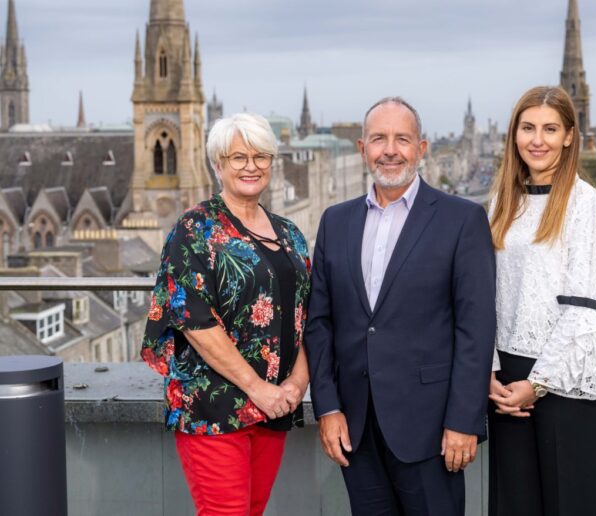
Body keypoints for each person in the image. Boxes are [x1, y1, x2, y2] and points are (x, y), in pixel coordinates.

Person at [305, 97, 496, 515]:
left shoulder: (461, 220)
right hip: (355, 430)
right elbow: (319, 323)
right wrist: (329, 407)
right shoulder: (335, 222)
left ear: (421, 149)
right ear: (362, 149)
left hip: (430, 430)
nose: (390, 150)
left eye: (402, 139)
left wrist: (465, 420)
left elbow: (476, 329)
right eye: (378, 139)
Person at [140, 113, 311, 515]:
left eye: (260, 156)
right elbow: (196, 323)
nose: (251, 166)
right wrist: (259, 388)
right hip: (214, 406)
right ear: (218, 165)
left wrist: (298, 382)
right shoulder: (194, 229)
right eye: (238, 157)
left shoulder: (289, 233)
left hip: (274, 408)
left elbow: (301, 316)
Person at [487, 86, 596, 516]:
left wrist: (536, 385)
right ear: (514, 134)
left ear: (569, 136)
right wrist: (487, 371)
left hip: (563, 384)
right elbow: (481, 295)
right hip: (507, 385)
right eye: (527, 128)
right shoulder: (502, 203)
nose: (536, 139)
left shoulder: (583, 203)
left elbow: (584, 310)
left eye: (549, 128)